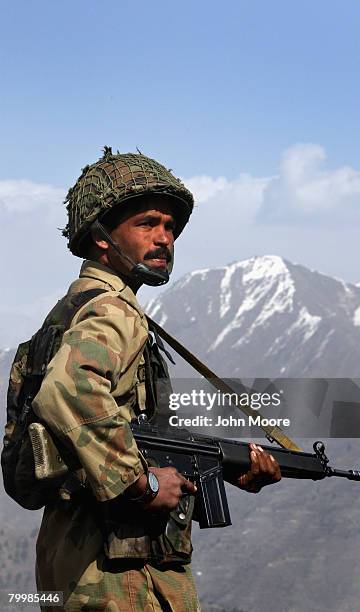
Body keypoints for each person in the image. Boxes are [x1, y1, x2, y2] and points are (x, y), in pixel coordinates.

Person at [32, 147, 281, 611]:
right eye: (147, 224)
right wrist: (141, 484)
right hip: (118, 573)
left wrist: (221, 468)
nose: (164, 238)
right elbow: (69, 389)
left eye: (171, 227)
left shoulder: (70, 311)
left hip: (75, 559)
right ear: (101, 237)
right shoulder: (111, 310)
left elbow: (132, 434)